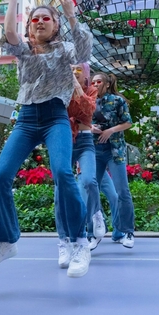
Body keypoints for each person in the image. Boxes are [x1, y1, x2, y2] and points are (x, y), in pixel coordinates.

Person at [0, 0, 93, 278]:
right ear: (29, 26)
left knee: (63, 174)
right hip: (27, 119)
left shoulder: (65, 49)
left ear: (55, 25)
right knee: (1, 176)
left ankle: (79, 243)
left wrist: (70, 13)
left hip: (55, 117)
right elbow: (9, 34)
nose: (40, 22)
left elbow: (84, 50)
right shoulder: (24, 50)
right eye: (35, 19)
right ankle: (5, 243)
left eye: (46, 18)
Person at [54, 62, 105, 268]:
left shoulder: (91, 90)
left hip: (84, 141)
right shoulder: (60, 89)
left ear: (86, 74)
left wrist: (75, 84)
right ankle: (64, 241)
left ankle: (96, 214)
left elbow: (87, 108)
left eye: (78, 70)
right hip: (64, 140)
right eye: (72, 69)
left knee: (89, 181)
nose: (74, 72)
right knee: (59, 192)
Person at [92, 73, 136, 248]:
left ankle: (127, 231)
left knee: (122, 191)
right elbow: (81, 122)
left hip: (115, 150)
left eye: (99, 81)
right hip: (95, 150)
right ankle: (94, 232)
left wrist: (111, 130)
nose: (95, 84)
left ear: (107, 84)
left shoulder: (117, 101)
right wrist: (91, 128)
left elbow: (128, 122)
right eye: (93, 82)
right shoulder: (89, 101)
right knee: (90, 189)